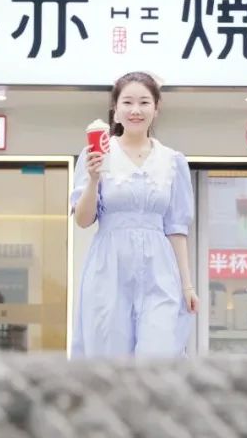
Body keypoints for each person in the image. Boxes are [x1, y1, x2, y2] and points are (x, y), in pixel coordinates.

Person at [70, 71, 199, 358]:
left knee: (159, 354)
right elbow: (83, 220)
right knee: (109, 356)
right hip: (109, 267)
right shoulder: (96, 154)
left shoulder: (172, 161)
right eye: (127, 102)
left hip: (160, 270)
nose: (135, 110)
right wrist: (93, 178)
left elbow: (176, 228)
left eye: (144, 102)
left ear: (156, 108)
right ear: (115, 109)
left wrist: (187, 285)